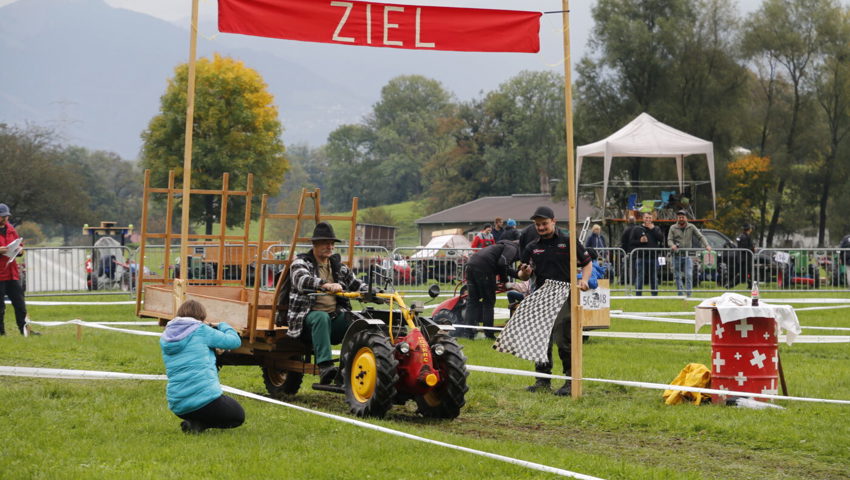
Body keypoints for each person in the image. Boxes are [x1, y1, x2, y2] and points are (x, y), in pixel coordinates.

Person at [516, 206, 593, 396]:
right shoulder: (532, 246)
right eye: (538, 225)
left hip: (565, 293)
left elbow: (587, 263)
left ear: (553, 221)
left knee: (563, 339)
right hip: (542, 295)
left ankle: (569, 381)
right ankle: (542, 380)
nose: (541, 227)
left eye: (544, 224)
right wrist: (524, 273)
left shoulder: (568, 241)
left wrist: (583, 280)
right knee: (541, 339)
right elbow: (523, 275)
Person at [286, 222, 365, 385]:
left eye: (331, 243)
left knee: (357, 321)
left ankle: (351, 365)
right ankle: (325, 367)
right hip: (305, 320)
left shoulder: (338, 267)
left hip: (334, 318)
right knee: (321, 318)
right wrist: (325, 284)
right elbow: (302, 280)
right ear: (314, 244)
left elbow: (356, 284)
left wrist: (375, 292)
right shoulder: (301, 263)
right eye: (325, 243)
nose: (329, 246)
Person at [160, 299, 244, 433]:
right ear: (201, 317)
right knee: (238, 416)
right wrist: (223, 325)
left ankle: (194, 424)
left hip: (178, 405)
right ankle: (200, 424)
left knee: (205, 409)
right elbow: (234, 342)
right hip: (204, 400)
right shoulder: (202, 330)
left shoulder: (166, 336)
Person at [462, 238, 521, 340]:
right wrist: (504, 280)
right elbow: (502, 263)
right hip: (484, 268)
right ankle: (488, 334)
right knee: (488, 302)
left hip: (471, 263)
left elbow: (503, 265)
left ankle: (468, 333)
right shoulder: (513, 248)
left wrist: (517, 275)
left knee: (472, 301)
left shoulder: (500, 246)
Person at [0, 203, 32, 337]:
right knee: (0, 308)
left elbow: (20, 245)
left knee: (20, 305)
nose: (5, 218)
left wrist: (19, 250)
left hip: (12, 274)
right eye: (3, 216)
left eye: (6, 216)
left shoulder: (11, 229)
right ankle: (1, 333)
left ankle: (25, 331)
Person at [667, 210, 711, 297]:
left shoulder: (691, 227)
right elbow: (669, 240)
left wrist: (707, 245)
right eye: (679, 217)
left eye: (683, 217)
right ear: (677, 218)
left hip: (687, 256)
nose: (681, 219)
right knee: (677, 276)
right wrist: (672, 245)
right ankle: (680, 294)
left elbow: (700, 236)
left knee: (689, 275)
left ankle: (688, 294)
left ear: (686, 218)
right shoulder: (673, 227)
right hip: (676, 255)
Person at [630, 211, 664, 296]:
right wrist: (639, 241)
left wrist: (653, 229)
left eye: (649, 218)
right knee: (639, 276)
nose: (648, 219)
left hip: (653, 257)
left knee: (654, 277)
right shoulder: (637, 229)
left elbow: (661, 238)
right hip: (641, 257)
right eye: (646, 218)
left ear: (652, 219)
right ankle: (638, 294)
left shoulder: (656, 228)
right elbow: (631, 242)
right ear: (643, 218)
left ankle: (654, 294)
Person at [735, 223, 756, 288]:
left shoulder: (744, 236)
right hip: (745, 258)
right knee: (744, 274)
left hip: (745, 258)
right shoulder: (744, 237)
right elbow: (744, 248)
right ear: (749, 229)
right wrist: (752, 249)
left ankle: (751, 285)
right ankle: (729, 285)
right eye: (750, 228)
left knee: (746, 273)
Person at [620, 215, 637, 285]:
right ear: (635, 221)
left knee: (626, 267)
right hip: (636, 251)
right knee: (633, 267)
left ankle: (623, 280)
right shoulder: (637, 228)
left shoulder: (626, 230)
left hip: (627, 251)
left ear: (628, 221)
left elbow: (623, 241)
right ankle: (633, 281)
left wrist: (624, 251)